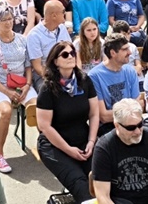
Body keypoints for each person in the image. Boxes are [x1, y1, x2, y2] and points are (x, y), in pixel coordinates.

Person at [36, 39, 101, 200]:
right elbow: (44, 126)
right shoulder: (48, 88)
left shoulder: (84, 81)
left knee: (102, 179)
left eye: (73, 53)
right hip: (55, 145)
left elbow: (94, 114)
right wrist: (68, 149)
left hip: (84, 140)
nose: (71, 56)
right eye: (65, 54)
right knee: (80, 185)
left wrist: (92, 142)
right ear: (55, 61)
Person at [93, 97, 148, 204]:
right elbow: (103, 196)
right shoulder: (104, 148)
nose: (137, 131)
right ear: (117, 125)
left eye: (140, 124)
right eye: (131, 128)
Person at [0, 10, 34, 173]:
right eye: (4, 20)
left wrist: (27, 85)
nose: (8, 22)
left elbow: (28, 66)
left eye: (10, 19)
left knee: (40, 108)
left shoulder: (22, 40)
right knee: (5, 112)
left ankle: (46, 146)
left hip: (21, 84)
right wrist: (7, 92)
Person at [88, 34, 141, 135]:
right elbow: (103, 116)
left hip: (133, 122)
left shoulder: (130, 71)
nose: (129, 53)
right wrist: (129, 112)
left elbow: (137, 107)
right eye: (125, 49)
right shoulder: (94, 76)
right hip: (108, 127)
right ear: (113, 53)